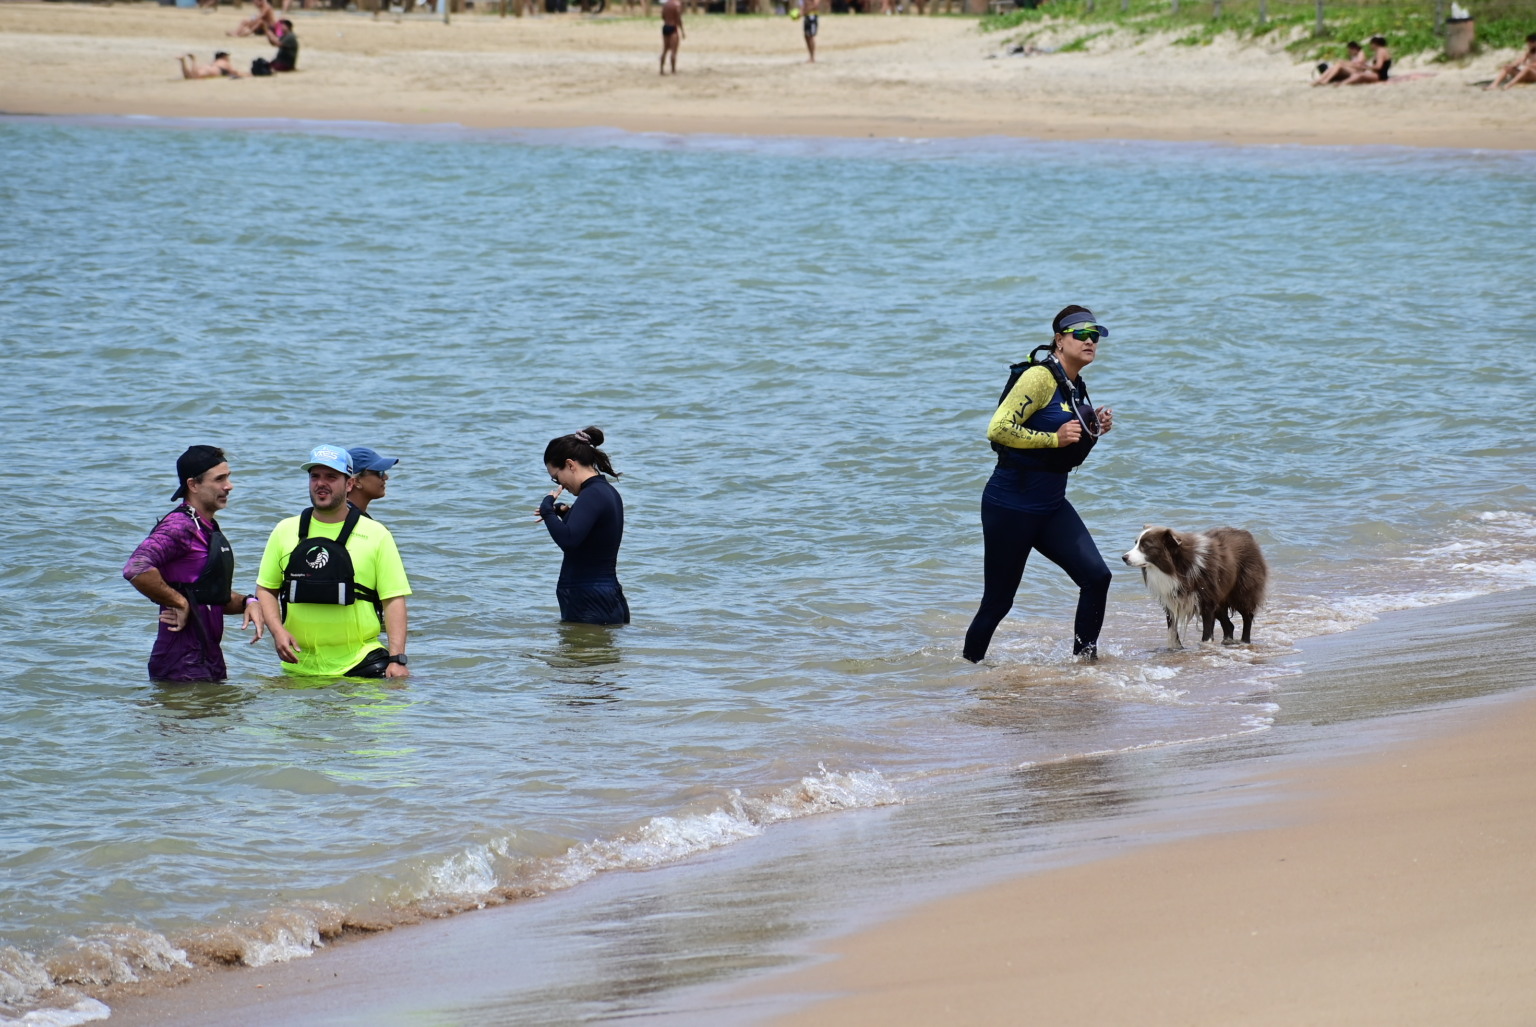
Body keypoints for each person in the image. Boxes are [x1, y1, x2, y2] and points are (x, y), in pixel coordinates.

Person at [963, 305, 1116, 663]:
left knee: (1097, 577)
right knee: (998, 602)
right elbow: (998, 428)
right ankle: (967, 673)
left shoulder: (1075, 384)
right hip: (1011, 505)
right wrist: (1054, 439)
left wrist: (1096, 428)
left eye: (1095, 335)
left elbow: (1067, 438)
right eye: (1081, 334)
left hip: (1050, 506)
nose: (1090, 340)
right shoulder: (1039, 377)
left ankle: (1084, 665)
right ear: (1059, 340)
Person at [255, 445, 412, 679]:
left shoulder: (376, 533)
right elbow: (266, 589)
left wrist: (397, 660)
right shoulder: (285, 530)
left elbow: (393, 599)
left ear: (349, 484)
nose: (321, 483)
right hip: (298, 664)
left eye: (331, 476)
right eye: (315, 476)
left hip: (360, 661)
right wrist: (277, 632)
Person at [123, 446, 266, 682]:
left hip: (208, 660)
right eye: (219, 479)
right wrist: (179, 602)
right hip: (181, 665)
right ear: (193, 485)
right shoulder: (180, 525)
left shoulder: (206, 527)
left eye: (228, 477)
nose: (229, 486)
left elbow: (207, 595)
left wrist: (247, 602)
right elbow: (136, 568)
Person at [537, 427, 630, 625]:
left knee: (586, 658)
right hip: (603, 600)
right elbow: (591, 537)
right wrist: (563, 512)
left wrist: (546, 507)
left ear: (570, 465)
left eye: (556, 476)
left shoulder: (592, 494)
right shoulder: (604, 491)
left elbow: (569, 540)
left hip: (591, 604)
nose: (559, 484)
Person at [346, 446, 399, 517]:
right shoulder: (351, 519)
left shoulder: (347, 514)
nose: (386, 477)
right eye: (379, 472)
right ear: (357, 481)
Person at [660, 0, 684, 76]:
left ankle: (661, 69)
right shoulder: (677, 4)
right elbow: (678, 18)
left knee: (665, 49)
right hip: (673, 27)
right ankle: (673, 70)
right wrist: (682, 30)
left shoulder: (666, 4)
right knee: (673, 51)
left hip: (665, 26)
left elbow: (663, 16)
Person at [178, 51, 243, 79]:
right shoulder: (224, 62)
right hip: (215, 70)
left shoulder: (215, 61)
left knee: (188, 76)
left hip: (208, 67)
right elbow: (234, 72)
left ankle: (183, 62)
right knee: (196, 76)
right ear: (224, 56)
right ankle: (193, 60)